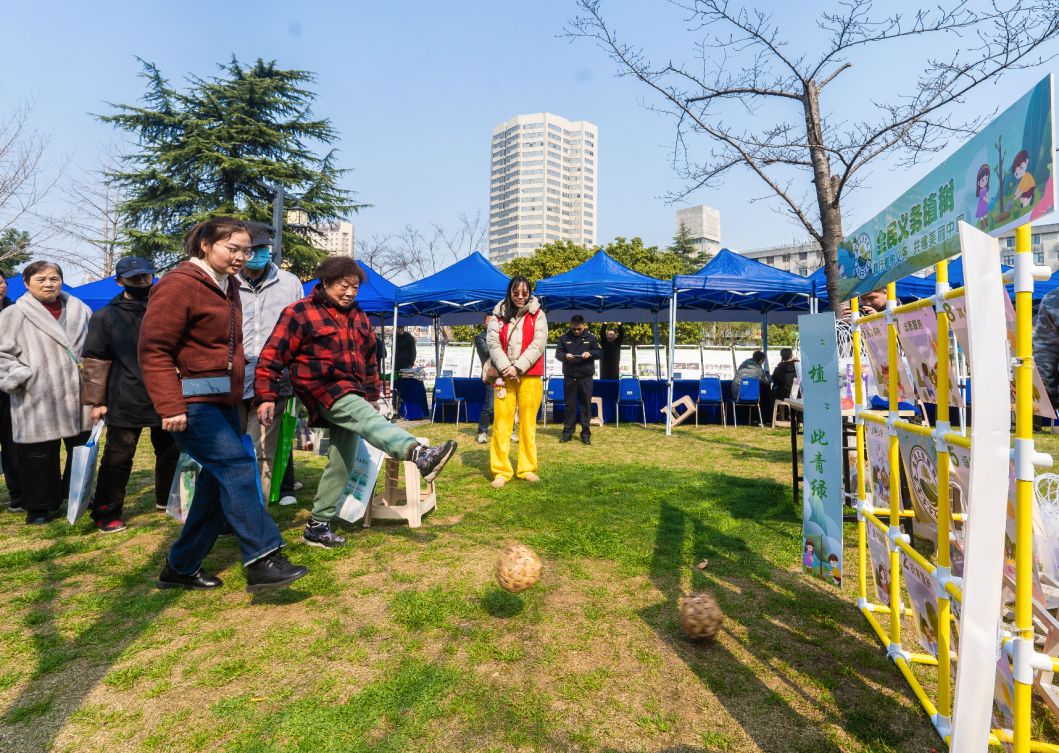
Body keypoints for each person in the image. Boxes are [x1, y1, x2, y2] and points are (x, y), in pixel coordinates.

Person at [139, 216, 307, 592]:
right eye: (233, 249)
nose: (241, 257)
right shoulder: (178, 285)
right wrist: (170, 405)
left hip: (223, 400)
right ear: (205, 245)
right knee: (237, 467)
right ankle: (264, 558)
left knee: (215, 487)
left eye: (246, 250)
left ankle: (179, 567)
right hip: (191, 402)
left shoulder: (228, 284)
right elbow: (153, 350)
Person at [256, 256, 457, 549]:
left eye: (354, 287)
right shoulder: (299, 312)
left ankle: (317, 525)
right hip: (320, 389)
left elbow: (370, 360)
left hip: (353, 393)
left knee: (343, 458)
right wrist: (266, 396)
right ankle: (417, 453)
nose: (350, 292)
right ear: (325, 282)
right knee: (368, 421)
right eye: (343, 285)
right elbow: (271, 357)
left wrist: (373, 396)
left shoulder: (360, 316)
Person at [81, 257, 180, 533]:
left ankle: (169, 501)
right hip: (125, 396)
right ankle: (106, 511)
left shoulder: (167, 308)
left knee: (172, 451)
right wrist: (97, 401)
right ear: (120, 281)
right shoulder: (105, 316)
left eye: (145, 277)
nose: (141, 282)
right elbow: (95, 359)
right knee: (118, 457)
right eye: (134, 278)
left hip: (166, 394)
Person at [0, 261, 93, 525]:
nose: (48, 283)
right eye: (40, 279)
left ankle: (77, 495)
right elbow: (1, 354)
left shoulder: (81, 309)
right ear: (27, 283)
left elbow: (95, 347)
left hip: (79, 394)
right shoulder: (13, 314)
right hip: (36, 396)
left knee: (81, 450)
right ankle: (39, 506)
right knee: (38, 456)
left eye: (54, 278)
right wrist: (20, 378)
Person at [236, 222, 304, 506]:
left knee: (263, 450)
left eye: (263, 248)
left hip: (274, 382)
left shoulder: (289, 283)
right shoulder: (225, 281)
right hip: (230, 380)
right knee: (232, 450)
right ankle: (230, 508)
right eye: (252, 248)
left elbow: (301, 331)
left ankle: (255, 513)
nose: (258, 254)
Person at [487, 275, 547, 488]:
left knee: (528, 424)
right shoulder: (497, 314)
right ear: (509, 292)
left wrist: (518, 367)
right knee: (501, 424)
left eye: (524, 292)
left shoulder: (538, 314)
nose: (520, 297)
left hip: (530, 376)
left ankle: (527, 469)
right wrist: (506, 368)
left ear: (529, 292)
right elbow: (492, 342)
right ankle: (501, 471)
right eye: (516, 292)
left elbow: (538, 344)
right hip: (504, 377)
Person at [556, 315, 602, 445]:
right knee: (570, 406)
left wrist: (591, 353)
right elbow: (558, 354)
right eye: (574, 329)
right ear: (571, 326)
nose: (576, 331)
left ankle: (585, 435)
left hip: (586, 378)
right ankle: (567, 433)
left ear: (584, 326)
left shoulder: (591, 338)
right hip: (570, 377)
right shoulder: (564, 338)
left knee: (585, 407)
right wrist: (565, 356)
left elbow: (600, 353)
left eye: (579, 329)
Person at [0, 271, 21, 514]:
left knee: (13, 442)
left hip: (8, 387)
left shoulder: (17, 313)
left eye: (0, 281)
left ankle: (18, 494)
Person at [731, 350, 772, 421]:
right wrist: (772, 377)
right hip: (748, 395)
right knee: (763, 393)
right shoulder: (758, 370)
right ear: (761, 361)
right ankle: (762, 419)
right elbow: (766, 382)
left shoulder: (743, 365)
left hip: (736, 393)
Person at [475, 313, 495, 444]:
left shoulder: (502, 335)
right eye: (489, 321)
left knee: (508, 404)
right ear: (484, 323)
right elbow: (488, 352)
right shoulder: (480, 337)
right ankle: (482, 432)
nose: (492, 324)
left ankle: (511, 431)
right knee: (490, 405)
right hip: (491, 375)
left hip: (505, 373)